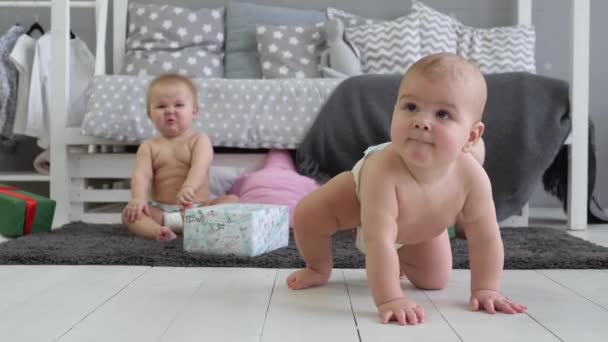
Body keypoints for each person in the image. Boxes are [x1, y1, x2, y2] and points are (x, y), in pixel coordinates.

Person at [286, 53, 527, 325]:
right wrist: (390, 298)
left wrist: (486, 289)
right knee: (308, 215)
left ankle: (399, 261)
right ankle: (317, 267)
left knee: (434, 281)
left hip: (417, 228)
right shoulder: (382, 171)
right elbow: (379, 241)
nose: (422, 121)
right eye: (411, 107)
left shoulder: (472, 178)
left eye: (443, 114)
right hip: (358, 203)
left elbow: (485, 238)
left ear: (470, 136)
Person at [122, 74, 238, 242]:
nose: (170, 110)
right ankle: (158, 231)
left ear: (194, 111)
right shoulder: (149, 146)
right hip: (161, 213)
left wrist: (189, 187)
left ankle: (196, 224)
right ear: (150, 114)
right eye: (161, 106)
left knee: (232, 200)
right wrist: (138, 198)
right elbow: (142, 175)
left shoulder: (199, 140)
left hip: (198, 209)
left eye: (179, 105)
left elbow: (200, 166)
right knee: (129, 215)